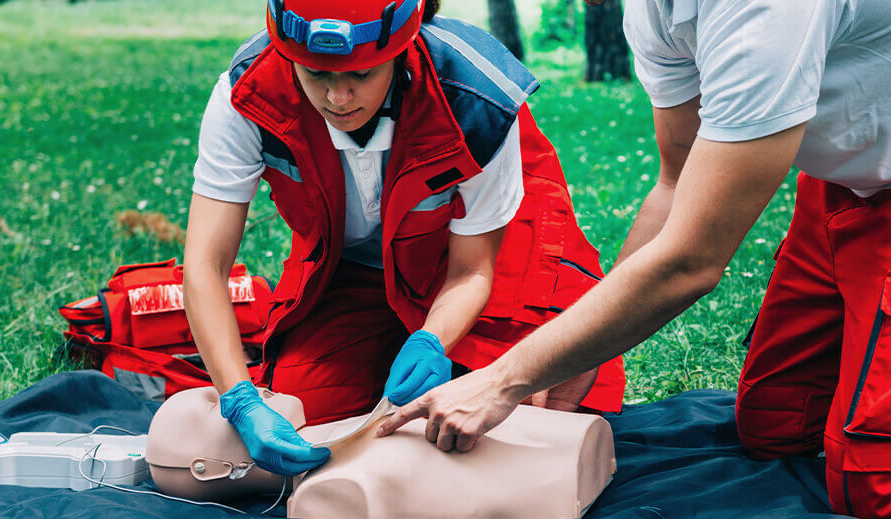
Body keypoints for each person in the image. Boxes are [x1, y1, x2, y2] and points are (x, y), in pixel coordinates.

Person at [379, 0, 891, 519]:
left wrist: (503, 379)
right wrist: (582, 354)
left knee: (870, 489)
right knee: (774, 427)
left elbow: (691, 260)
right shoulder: (657, 10)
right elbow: (676, 183)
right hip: (835, 191)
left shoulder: (764, 10)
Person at [183, 0, 626, 477]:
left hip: (495, 246)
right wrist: (238, 397)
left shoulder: (477, 95)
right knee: (307, 413)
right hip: (352, 264)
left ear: (403, 44)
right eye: (316, 74)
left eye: (363, 73)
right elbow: (205, 264)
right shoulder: (247, 94)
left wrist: (431, 340)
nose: (338, 97)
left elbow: (472, 268)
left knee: (524, 414)